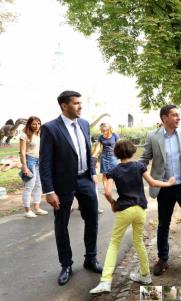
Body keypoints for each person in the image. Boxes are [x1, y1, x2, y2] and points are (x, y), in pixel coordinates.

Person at [90, 140, 176, 294]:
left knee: (115, 243)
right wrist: (168, 183)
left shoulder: (113, 171)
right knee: (138, 242)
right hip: (140, 210)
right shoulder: (139, 166)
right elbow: (153, 183)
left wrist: (113, 203)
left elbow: (108, 192)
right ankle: (145, 275)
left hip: (124, 210)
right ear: (132, 151)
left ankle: (105, 281)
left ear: (116, 153)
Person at [39, 90, 102, 286]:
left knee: (92, 219)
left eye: (80, 103)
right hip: (62, 185)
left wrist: (92, 173)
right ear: (64, 106)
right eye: (76, 103)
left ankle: (90, 259)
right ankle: (66, 264)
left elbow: (87, 151)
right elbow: (45, 162)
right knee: (61, 225)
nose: (80, 106)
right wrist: (49, 191)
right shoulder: (50, 128)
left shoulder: (83, 124)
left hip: (84, 180)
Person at [140, 104, 181, 276]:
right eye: (174, 115)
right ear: (164, 118)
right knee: (163, 224)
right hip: (164, 188)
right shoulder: (152, 136)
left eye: (178, 115)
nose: (178, 118)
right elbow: (144, 159)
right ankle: (162, 258)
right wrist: (141, 175)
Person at [19, 116, 48, 218]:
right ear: (29, 124)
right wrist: (24, 167)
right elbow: (22, 152)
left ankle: (37, 208)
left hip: (39, 162)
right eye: (34, 124)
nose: (37, 126)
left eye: (38, 123)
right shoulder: (24, 135)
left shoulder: (40, 134)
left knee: (39, 186)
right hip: (30, 161)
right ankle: (27, 210)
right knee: (29, 187)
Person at [98, 122, 119, 189]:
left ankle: (119, 188)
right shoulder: (100, 137)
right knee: (105, 174)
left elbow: (119, 145)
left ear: (109, 129)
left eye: (104, 130)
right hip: (104, 156)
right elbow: (98, 147)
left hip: (113, 156)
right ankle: (106, 189)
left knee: (115, 173)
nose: (103, 132)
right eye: (102, 130)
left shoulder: (114, 135)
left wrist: (121, 155)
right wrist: (95, 158)